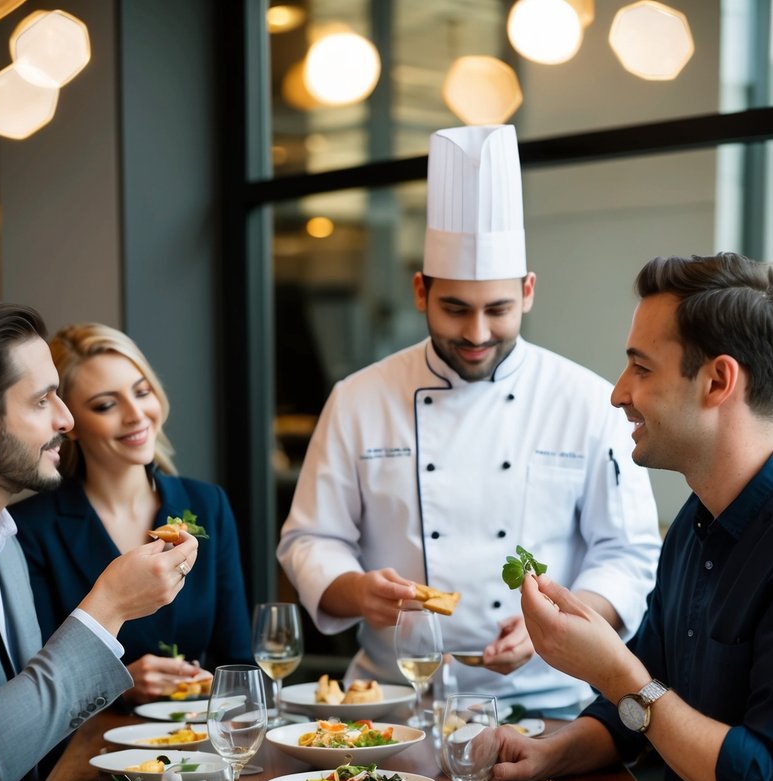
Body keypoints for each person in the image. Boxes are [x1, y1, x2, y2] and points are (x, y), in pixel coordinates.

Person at [278, 125, 661, 715]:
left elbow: (629, 553)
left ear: (528, 292)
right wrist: (357, 591)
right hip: (393, 699)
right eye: (455, 309)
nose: (478, 334)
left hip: (555, 701)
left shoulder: (586, 400)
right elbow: (310, 538)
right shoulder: (359, 398)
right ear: (419, 291)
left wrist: (558, 626)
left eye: (498, 310)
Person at [492, 251, 773, 781]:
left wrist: (620, 676)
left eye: (640, 368)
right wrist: (548, 752)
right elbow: (649, 689)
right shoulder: (694, 522)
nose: (617, 393)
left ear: (717, 381)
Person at [0, 300, 199, 781]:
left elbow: (35, 727)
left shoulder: (2, 539)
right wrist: (107, 607)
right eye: (42, 400)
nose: (66, 418)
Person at [11, 323, 251, 703]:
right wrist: (116, 685)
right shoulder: (29, 529)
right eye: (106, 405)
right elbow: (33, 685)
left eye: (141, 392)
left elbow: (240, 665)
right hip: (92, 750)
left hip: (199, 741)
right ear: (69, 422)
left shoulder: (208, 505)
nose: (136, 414)